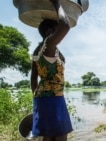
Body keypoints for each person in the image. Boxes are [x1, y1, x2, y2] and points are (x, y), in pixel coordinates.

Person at [30, 0, 73, 140]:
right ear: (49, 31)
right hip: (53, 99)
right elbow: (65, 25)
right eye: (56, 30)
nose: (58, 35)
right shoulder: (48, 46)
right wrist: (56, 3)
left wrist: (38, 104)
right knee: (61, 136)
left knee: (48, 136)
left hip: (43, 98)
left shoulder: (38, 51)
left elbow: (33, 80)